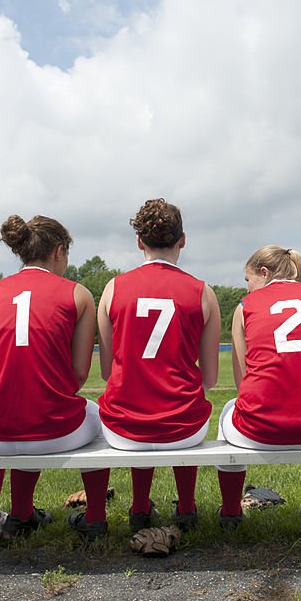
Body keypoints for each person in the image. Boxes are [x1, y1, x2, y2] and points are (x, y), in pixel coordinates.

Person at [0, 215, 108, 543]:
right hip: (53, 429)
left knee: (14, 406)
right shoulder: (78, 294)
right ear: (59, 251)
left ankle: (13, 516)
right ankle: (95, 519)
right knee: (101, 417)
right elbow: (78, 375)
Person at [97, 198, 220, 531]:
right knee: (181, 408)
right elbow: (209, 379)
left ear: (139, 242)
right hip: (184, 426)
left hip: (124, 428)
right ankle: (188, 508)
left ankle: (139, 508)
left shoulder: (113, 288)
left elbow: (108, 373)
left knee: (134, 404)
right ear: (183, 240)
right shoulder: (203, 292)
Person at [215, 246, 301, 527]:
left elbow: (243, 385)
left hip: (258, 430)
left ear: (264, 273)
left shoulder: (244, 307)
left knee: (228, 408)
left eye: (248, 279)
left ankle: (230, 513)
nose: (248, 287)